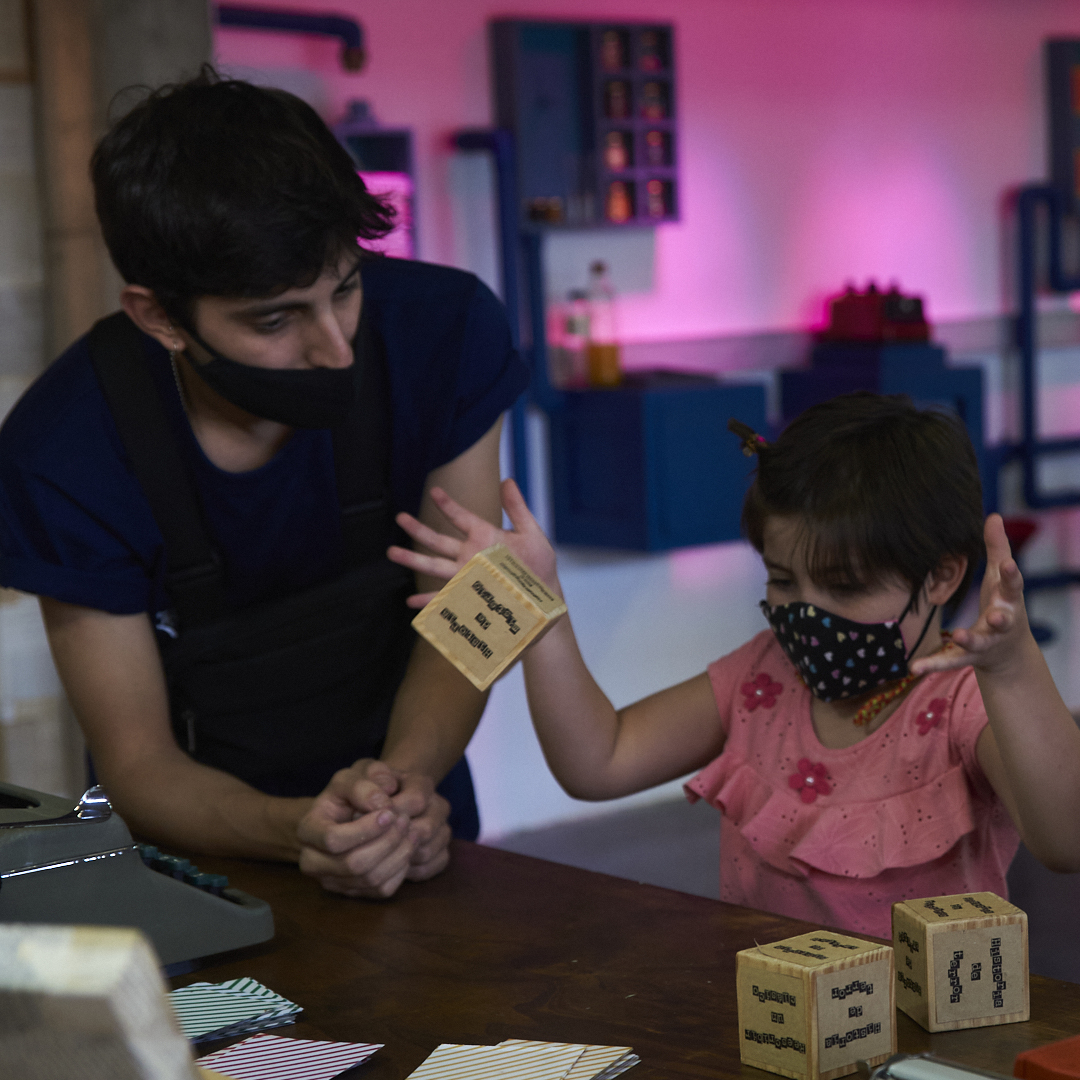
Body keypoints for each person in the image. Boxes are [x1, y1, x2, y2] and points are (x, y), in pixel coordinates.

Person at [0, 72, 528, 898]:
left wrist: (400, 796)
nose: (335, 348)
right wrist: (303, 832)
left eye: (346, 288)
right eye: (276, 320)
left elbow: (467, 612)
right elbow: (139, 762)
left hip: (416, 809)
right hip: (205, 862)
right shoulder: (65, 452)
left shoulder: (444, 332)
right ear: (160, 317)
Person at [387, 392, 1080, 937]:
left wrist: (1014, 668)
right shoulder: (764, 676)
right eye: (782, 580)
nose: (806, 613)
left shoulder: (965, 702)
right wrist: (541, 611)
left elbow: (1066, 840)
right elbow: (597, 760)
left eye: (843, 588)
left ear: (939, 578)